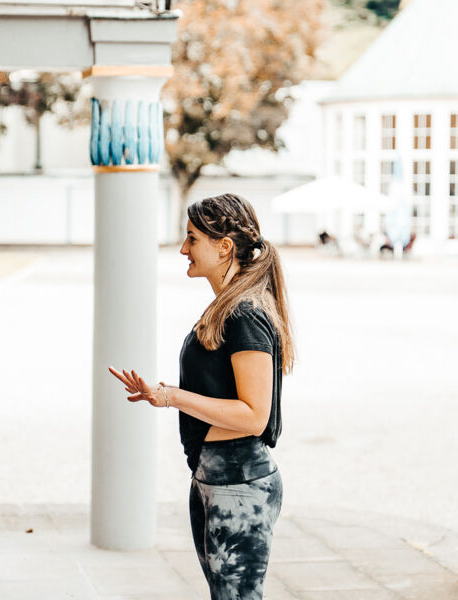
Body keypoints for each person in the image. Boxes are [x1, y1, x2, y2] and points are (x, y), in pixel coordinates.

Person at [108, 193, 296, 600]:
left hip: (239, 482)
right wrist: (162, 394)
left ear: (224, 246)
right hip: (217, 477)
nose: (183, 249)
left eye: (192, 239)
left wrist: (174, 396)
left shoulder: (245, 314)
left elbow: (253, 416)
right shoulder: (228, 308)